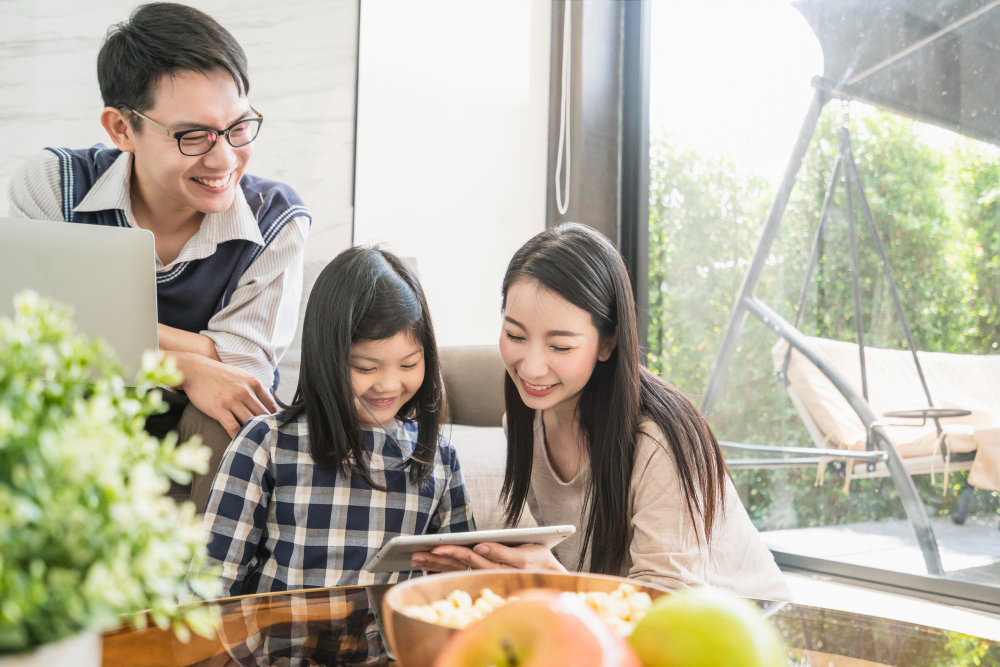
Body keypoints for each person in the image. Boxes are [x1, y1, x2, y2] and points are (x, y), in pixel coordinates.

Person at [6, 3, 310, 511]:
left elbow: (239, 366)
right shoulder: (53, 186)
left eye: (238, 128)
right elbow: (27, 336)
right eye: (193, 136)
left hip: (199, 431)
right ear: (122, 129)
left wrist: (89, 325)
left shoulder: (277, 219)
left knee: (231, 406)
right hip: (77, 414)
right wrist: (185, 363)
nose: (224, 159)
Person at [414, 223, 790, 601]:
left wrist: (561, 585)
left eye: (560, 347)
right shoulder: (524, 423)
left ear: (607, 343)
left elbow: (669, 602)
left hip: (742, 632)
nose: (530, 368)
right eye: (515, 336)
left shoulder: (659, 441)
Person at [203, 246, 475, 596]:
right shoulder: (266, 444)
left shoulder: (438, 458)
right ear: (325, 357)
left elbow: (463, 588)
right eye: (365, 367)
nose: (389, 384)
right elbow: (211, 583)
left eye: (408, 365)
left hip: (391, 649)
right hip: (280, 648)